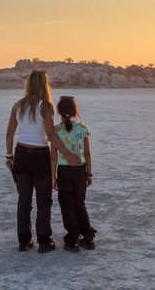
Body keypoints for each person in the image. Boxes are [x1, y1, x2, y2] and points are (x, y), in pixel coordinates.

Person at [5, 71, 80, 253]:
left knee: (24, 200)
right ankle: (44, 241)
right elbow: (51, 135)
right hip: (39, 156)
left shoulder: (18, 105)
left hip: (21, 154)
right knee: (43, 200)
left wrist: (9, 156)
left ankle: (24, 241)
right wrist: (67, 153)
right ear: (44, 85)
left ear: (29, 84)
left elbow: (10, 133)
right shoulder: (45, 106)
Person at [51, 96, 97, 252]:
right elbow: (88, 154)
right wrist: (89, 174)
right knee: (79, 204)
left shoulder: (56, 131)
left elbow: (53, 157)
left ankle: (72, 239)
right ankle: (88, 238)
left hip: (64, 172)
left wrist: (53, 177)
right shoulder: (82, 129)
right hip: (80, 171)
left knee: (67, 206)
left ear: (58, 111)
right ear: (75, 111)